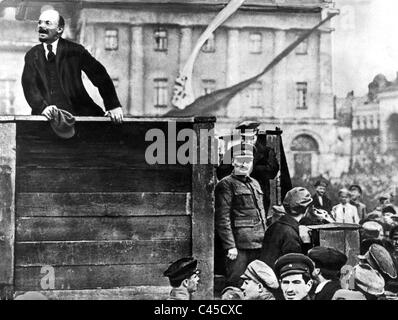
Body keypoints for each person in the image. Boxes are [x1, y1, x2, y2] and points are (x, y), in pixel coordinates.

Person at [22, 9, 123, 124]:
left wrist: (113, 105)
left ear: (59, 29)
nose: (41, 26)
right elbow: (29, 86)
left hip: (79, 114)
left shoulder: (75, 51)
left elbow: (99, 74)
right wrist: (42, 107)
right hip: (47, 117)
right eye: (39, 22)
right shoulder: (32, 55)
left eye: (47, 23)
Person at [215, 144, 266, 287]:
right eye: (241, 160)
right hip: (239, 246)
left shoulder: (255, 183)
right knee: (236, 283)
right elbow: (222, 218)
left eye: (248, 160)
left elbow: (260, 212)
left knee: (256, 284)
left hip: (259, 243)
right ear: (233, 162)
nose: (245, 164)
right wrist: (230, 245)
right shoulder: (226, 184)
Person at [216, 121, 279, 213]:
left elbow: (272, 171)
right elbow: (221, 172)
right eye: (244, 138)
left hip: (259, 194)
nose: (247, 142)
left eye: (251, 138)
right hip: (236, 194)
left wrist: (251, 169)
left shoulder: (267, 152)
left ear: (256, 135)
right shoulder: (233, 151)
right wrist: (237, 169)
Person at [259, 187, 313, 268]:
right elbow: (296, 266)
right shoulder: (291, 234)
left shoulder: (273, 226)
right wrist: (306, 243)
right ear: (306, 209)